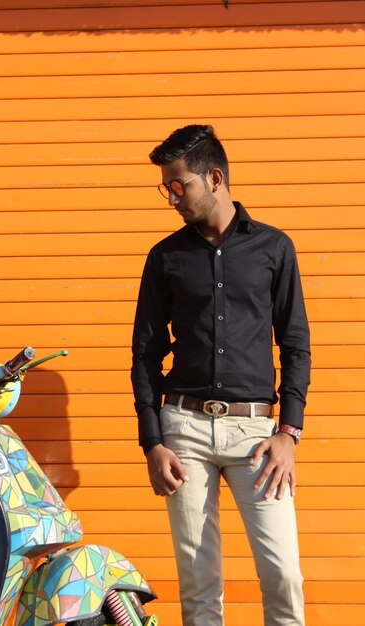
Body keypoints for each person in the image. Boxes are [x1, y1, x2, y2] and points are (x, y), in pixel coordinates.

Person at [131, 124, 310, 626]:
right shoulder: (165, 257)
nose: (171, 197)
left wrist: (289, 432)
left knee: (283, 576)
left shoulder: (274, 248)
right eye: (165, 187)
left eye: (177, 184)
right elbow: (145, 353)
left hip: (257, 435)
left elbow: (295, 344)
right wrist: (153, 442)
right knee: (199, 586)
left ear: (214, 177)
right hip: (182, 432)